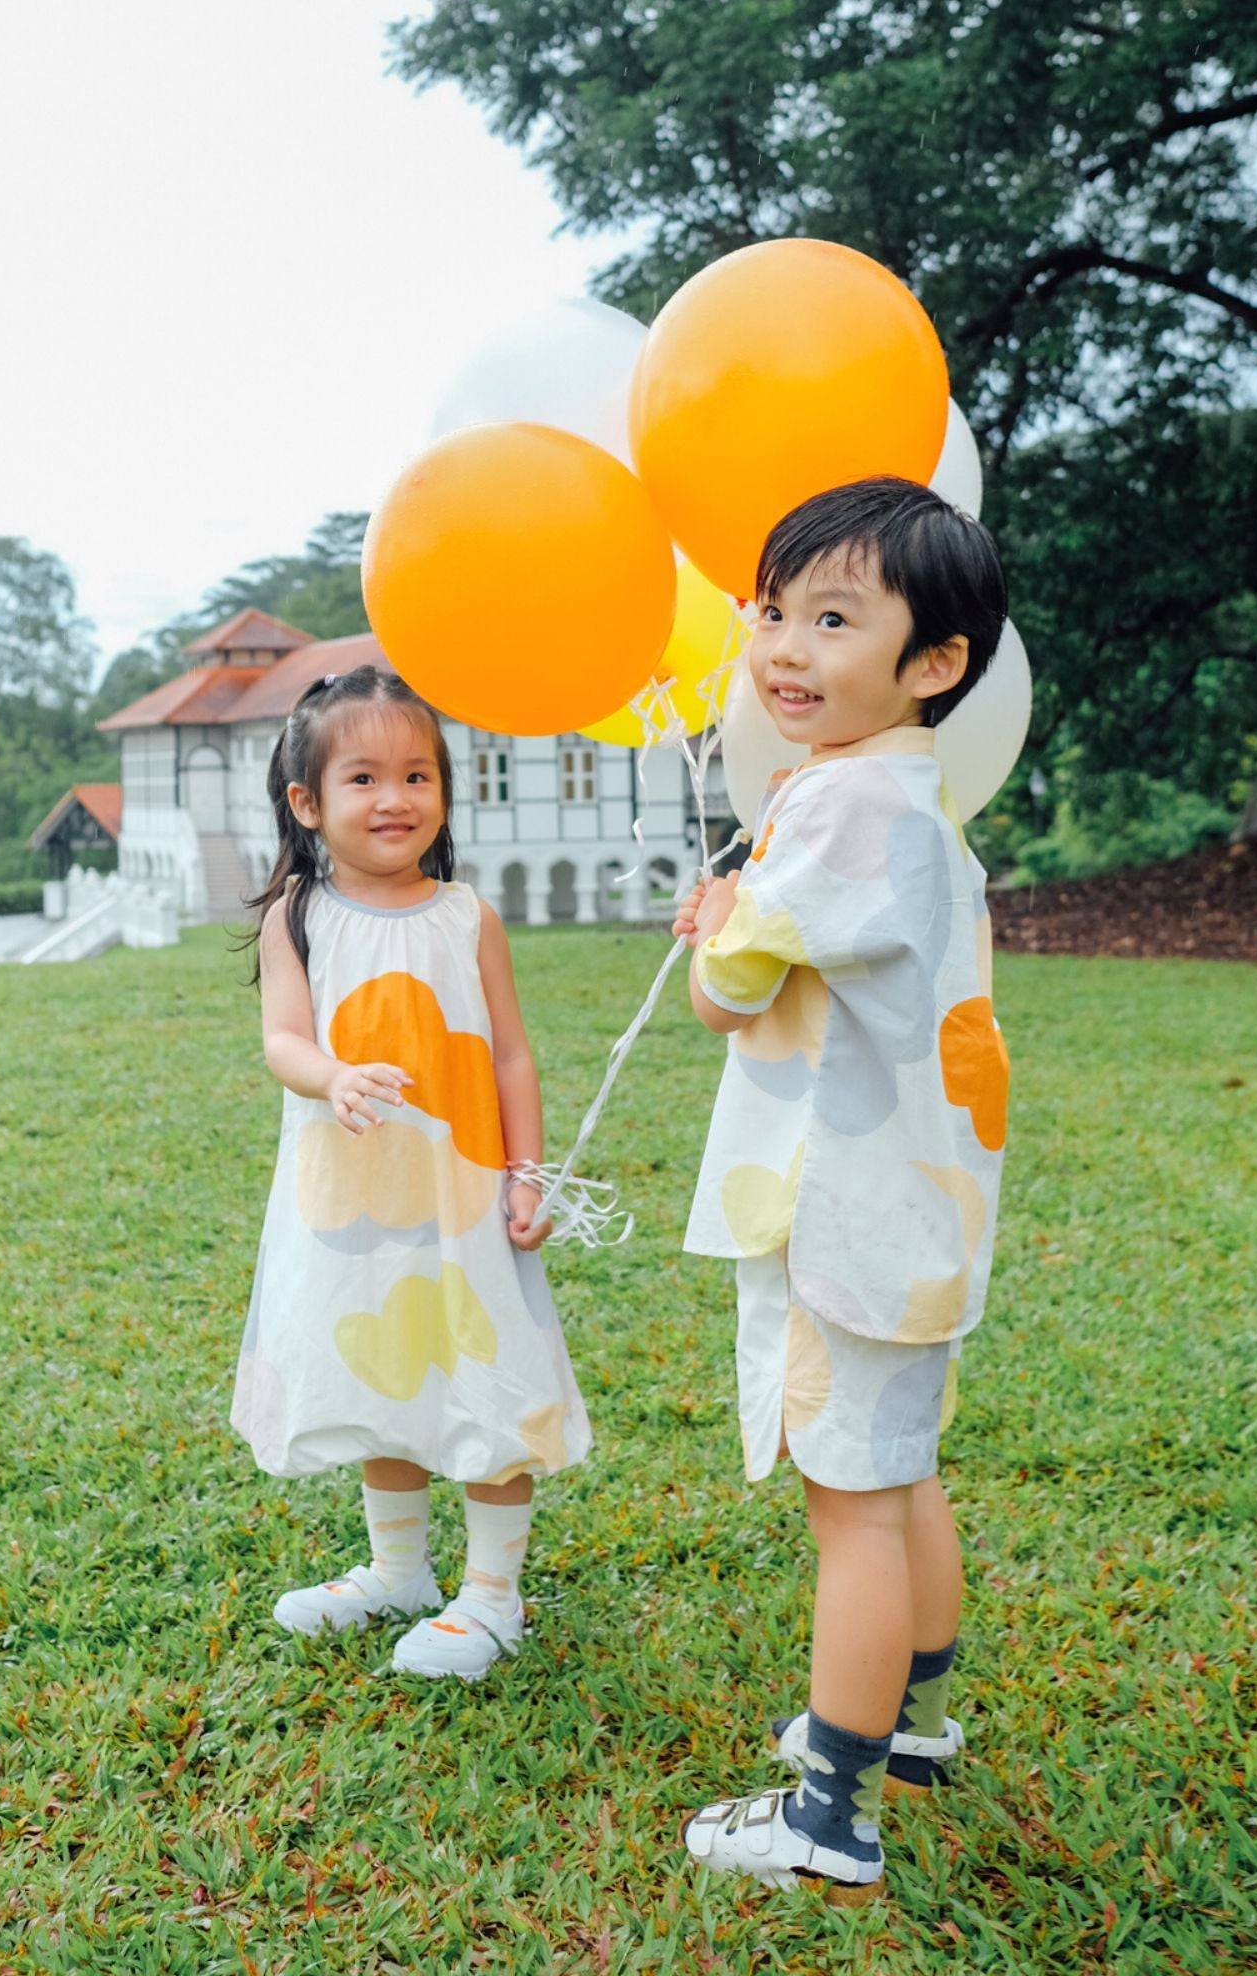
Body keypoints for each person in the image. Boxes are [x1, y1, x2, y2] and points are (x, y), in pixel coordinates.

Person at [672, 477, 1011, 1901]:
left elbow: (725, 992)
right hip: (922, 1211)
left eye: (832, 618)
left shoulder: (841, 806)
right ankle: (913, 1722)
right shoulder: (911, 801)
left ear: (932, 664)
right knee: (901, 1471)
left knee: (851, 1508)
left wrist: (714, 924)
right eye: (773, 611)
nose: (784, 649)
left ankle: (830, 1812)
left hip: (849, 1217)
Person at [230, 663, 590, 1680]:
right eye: (364, 778)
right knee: (379, 1365)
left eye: (418, 775)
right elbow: (283, 1042)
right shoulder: (296, 913)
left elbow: (511, 1053)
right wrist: (332, 1074)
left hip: (462, 1196)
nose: (395, 799)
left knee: (482, 1368)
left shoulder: (467, 916)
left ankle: (491, 1593)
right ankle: (398, 1567)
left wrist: (527, 1173)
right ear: (307, 802)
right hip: (347, 1200)